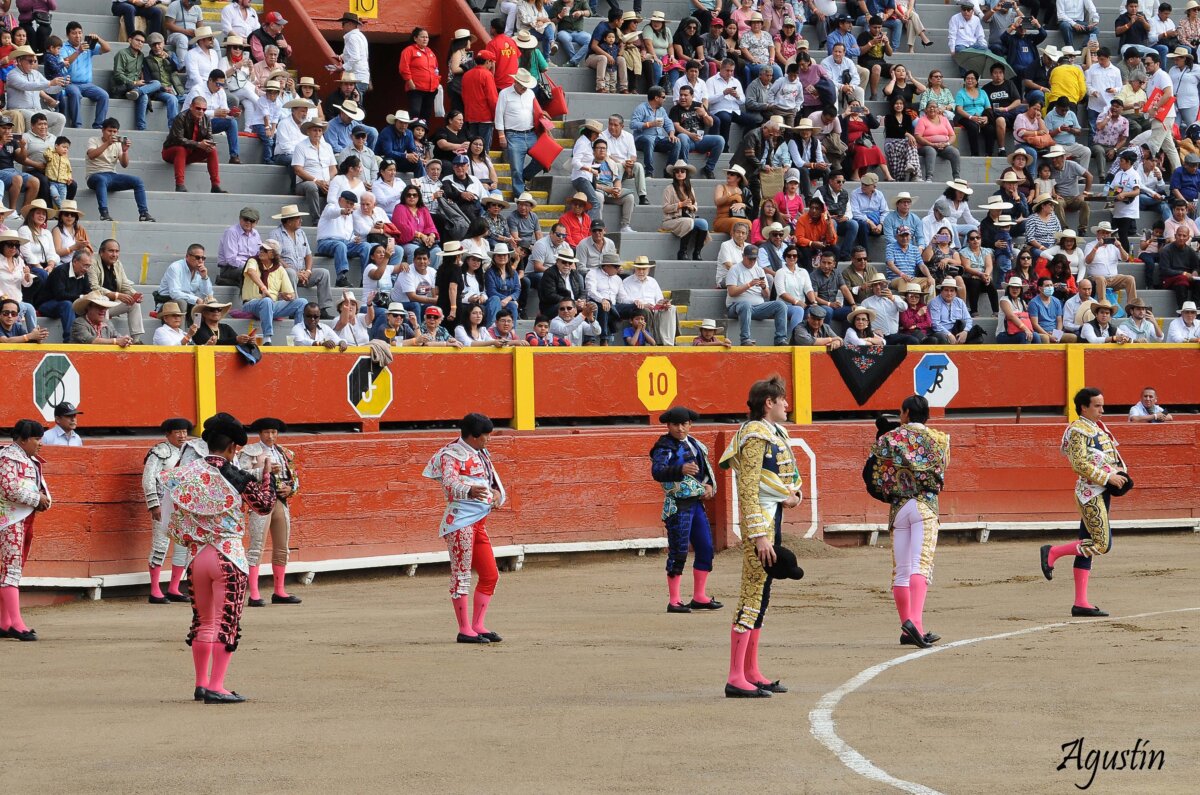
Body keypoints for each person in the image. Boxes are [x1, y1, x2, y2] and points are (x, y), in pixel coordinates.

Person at [161, 413, 276, 703]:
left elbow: (167, 520)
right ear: (233, 448)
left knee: (203, 622)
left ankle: (201, 685)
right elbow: (264, 506)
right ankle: (217, 686)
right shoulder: (235, 475)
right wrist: (267, 475)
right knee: (227, 623)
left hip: (197, 557)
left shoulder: (185, 472)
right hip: (228, 556)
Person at [718, 375, 802, 698]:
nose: (787, 405)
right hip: (762, 526)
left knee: (762, 597)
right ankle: (735, 675)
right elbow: (748, 489)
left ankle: (750, 670)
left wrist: (792, 497)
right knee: (751, 596)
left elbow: (781, 482)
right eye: (782, 400)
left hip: (772, 517)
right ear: (769, 403)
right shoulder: (755, 435)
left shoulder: (772, 433)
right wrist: (758, 536)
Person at [866, 395, 949, 647]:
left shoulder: (888, 440)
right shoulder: (940, 440)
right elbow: (942, 470)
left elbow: (874, 472)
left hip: (899, 508)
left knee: (901, 570)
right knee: (920, 566)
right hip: (925, 506)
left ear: (905, 413)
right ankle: (916, 625)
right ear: (927, 415)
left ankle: (907, 629)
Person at [1039, 388, 1129, 618]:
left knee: (1086, 545)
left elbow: (1110, 458)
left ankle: (1081, 602)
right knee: (1101, 544)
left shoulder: (1098, 428)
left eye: (1102, 405)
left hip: (1101, 490)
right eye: (1097, 406)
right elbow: (1078, 464)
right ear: (1084, 408)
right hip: (1090, 493)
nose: (1102, 410)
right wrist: (1108, 477)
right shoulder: (1078, 429)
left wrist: (1120, 473)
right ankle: (1053, 552)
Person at [422, 413, 507, 645]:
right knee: (461, 575)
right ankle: (464, 629)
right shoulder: (451, 454)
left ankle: (478, 625)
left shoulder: (481, 453)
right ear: (474, 436)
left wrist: (496, 493)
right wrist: (469, 491)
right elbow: (449, 483)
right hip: (460, 522)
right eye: (486, 436)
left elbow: (491, 481)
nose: (489, 439)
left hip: (478, 522)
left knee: (490, 575)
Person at [650, 405, 721, 613]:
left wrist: (708, 486)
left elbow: (705, 471)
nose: (680, 428)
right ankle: (674, 600)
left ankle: (699, 596)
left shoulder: (695, 444)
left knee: (706, 547)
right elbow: (657, 472)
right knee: (679, 550)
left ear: (690, 424)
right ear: (668, 426)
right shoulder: (664, 447)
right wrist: (680, 469)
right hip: (678, 505)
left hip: (696, 503)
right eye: (675, 425)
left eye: (684, 424)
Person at [236, 418, 301, 607]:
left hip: (280, 501)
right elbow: (241, 475)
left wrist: (291, 489)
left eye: (273, 432)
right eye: (266, 432)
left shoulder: (285, 453)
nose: (270, 436)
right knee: (257, 546)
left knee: (282, 546)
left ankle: (279, 591)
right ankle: (254, 594)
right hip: (260, 501)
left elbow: (295, 478)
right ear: (260, 434)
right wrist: (264, 470)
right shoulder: (249, 452)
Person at [0, 418, 50, 641]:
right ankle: (17, 624)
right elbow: (8, 489)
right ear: (24, 439)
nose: (40, 443)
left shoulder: (27, 460)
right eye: (37, 439)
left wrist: (44, 500)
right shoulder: (8, 458)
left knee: (11, 570)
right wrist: (36, 498)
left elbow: (39, 488)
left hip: (21, 519)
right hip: (8, 521)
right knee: (10, 571)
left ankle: (4, 623)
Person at [143, 418, 194, 605]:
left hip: (184, 505)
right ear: (168, 434)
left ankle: (174, 588)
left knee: (183, 545)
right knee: (160, 545)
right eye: (177, 432)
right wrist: (154, 504)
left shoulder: (190, 451)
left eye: (184, 431)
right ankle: (155, 590)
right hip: (164, 503)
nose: (182, 435)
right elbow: (148, 479)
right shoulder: (159, 452)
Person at [88, 119, 156, 221]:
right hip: (95, 175)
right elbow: (91, 155)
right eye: (109, 131)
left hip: (112, 176)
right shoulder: (93, 140)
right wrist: (107, 144)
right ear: (103, 130)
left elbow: (124, 164)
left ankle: (143, 213)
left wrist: (125, 151)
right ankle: (104, 213)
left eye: (114, 132)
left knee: (138, 181)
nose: (112, 134)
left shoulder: (118, 144)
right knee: (101, 180)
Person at [494, 69, 547, 199]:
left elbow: (535, 111)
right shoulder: (504, 94)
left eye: (525, 85)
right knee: (516, 167)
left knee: (543, 159)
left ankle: (523, 178)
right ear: (515, 82)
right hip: (513, 135)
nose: (524, 88)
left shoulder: (530, 94)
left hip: (530, 133)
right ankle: (520, 195)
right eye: (522, 85)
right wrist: (501, 135)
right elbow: (499, 115)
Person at [725, 244, 789, 346]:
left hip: (757, 307)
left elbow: (767, 295)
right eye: (750, 259)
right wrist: (749, 285)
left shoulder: (759, 270)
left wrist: (764, 287)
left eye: (754, 259)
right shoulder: (735, 269)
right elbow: (732, 292)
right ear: (743, 256)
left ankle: (780, 339)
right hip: (736, 307)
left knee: (781, 305)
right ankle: (745, 339)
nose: (752, 261)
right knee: (745, 304)